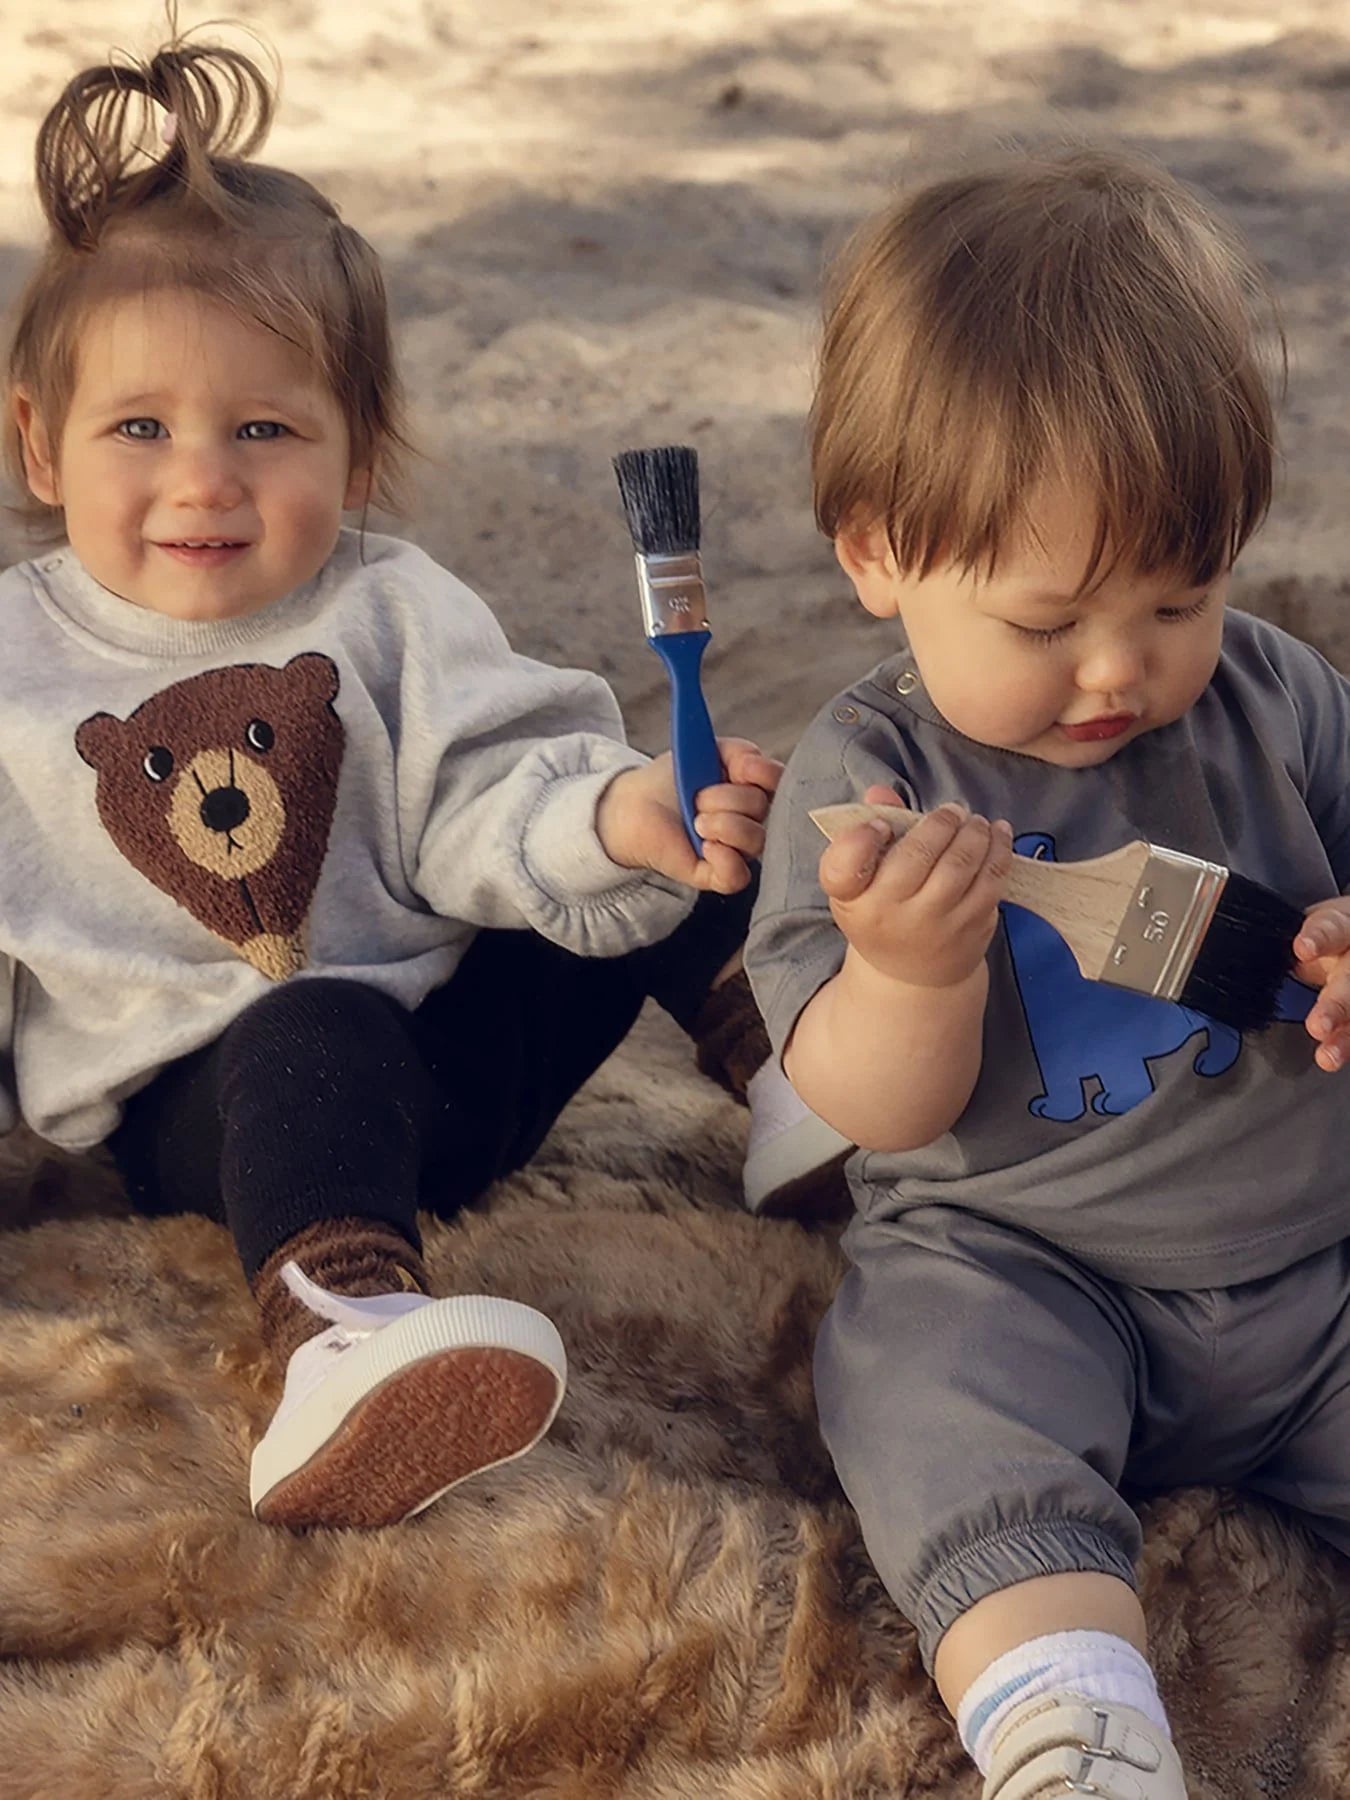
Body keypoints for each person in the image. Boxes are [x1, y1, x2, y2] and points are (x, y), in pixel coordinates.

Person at [0, 28, 831, 1535]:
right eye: (141, 429)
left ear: (360, 453)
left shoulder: (393, 609)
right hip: (206, 1111)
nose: (203, 479)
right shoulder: (15, 668)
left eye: (265, 429)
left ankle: (794, 1081)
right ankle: (344, 1325)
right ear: (39, 445)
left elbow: (490, 803)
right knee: (306, 1017)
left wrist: (606, 822)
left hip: (453, 1058)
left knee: (680, 805)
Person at [745, 148, 1350, 1799]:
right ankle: (1071, 1720)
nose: (1117, 665)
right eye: (1044, 620)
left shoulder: (1277, 701)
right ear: (878, 554)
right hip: (1023, 1263)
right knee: (922, 1393)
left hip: (1314, 1257)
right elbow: (862, 1104)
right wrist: (907, 969)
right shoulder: (861, 783)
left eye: (1179, 594)